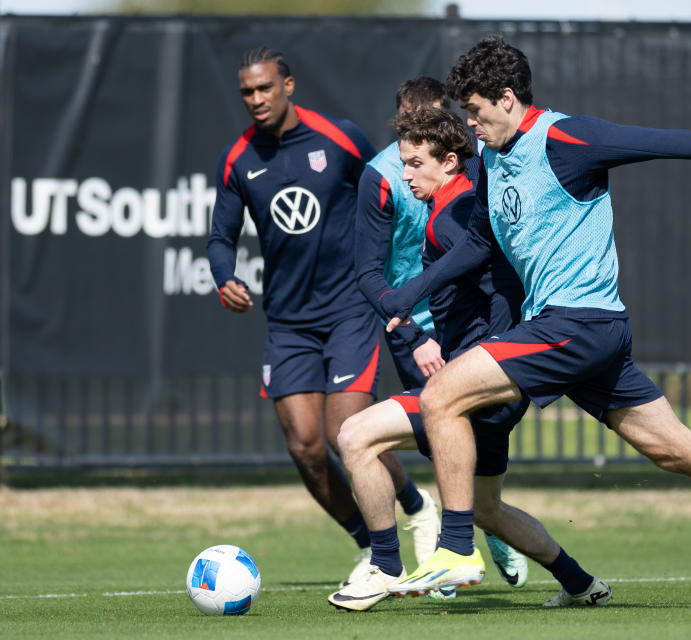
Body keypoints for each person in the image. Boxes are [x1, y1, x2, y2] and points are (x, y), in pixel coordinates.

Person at [381, 36, 691, 608]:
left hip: (578, 323)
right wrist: (411, 293)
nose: (469, 125)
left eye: (473, 111)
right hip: (583, 333)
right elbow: (479, 241)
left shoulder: (568, 139)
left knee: (441, 393)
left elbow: (664, 142)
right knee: (675, 450)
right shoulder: (494, 156)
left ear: (505, 98)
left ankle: (455, 547)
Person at [329, 107, 608, 611]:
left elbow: (502, 284)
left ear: (451, 162)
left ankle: (384, 567)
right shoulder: (462, 206)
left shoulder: (454, 218)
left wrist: (487, 359)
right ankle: (581, 582)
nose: (405, 173)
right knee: (487, 509)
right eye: (402, 163)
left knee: (355, 436)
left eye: (415, 163)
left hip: (478, 389)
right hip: (495, 387)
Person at [206, 46, 439, 588]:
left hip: (350, 309)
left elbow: (393, 188)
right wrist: (225, 277)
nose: (256, 99)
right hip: (288, 322)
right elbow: (221, 236)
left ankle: (412, 509)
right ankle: (368, 542)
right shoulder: (238, 157)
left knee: (345, 432)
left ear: (288, 85)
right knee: (306, 449)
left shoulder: (340, 139)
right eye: (247, 92)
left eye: (265, 88)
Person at [353, 76, 528, 593]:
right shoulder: (382, 176)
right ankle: (458, 547)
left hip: (471, 331)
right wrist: (411, 331)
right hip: (418, 332)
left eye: (433, 119)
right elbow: (368, 273)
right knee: (439, 442)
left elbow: (491, 266)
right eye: (411, 128)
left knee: (448, 438)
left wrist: (496, 346)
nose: (412, 161)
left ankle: (467, 538)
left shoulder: (469, 167)